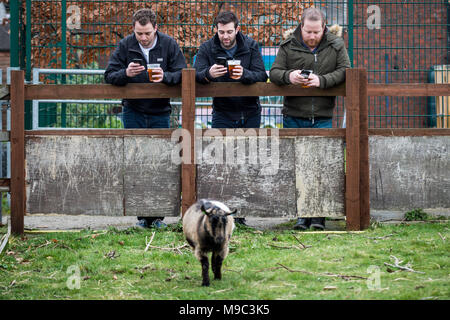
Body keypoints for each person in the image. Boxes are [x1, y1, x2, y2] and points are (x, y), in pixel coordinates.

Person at [104, 8, 187, 228]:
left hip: (160, 111)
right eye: (139, 33)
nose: (143, 38)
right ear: (134, 30)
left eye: (147, 33)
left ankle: (158, 216)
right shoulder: (125, 45)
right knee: (136, 161)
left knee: (160, 162)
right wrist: (126, 74)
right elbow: (109, 75)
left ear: (155, 29)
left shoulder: (169, 44)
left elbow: (183, 72)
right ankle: (142, 216)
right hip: (133, 111)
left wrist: (166, 77)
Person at [269, 7, 351, 231]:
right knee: (297, 167)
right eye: (308, 32)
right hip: (294, 115)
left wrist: (321, 81)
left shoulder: (336, 44)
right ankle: (301, 216)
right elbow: (274, 72)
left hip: (323, 115)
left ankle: (319, 217)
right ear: (301, 27)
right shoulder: (288, 45)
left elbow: (346, 70)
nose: (313, 36)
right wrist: (290, 76)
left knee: (321, 166)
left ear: (323, 27)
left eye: (317, 32)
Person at [194, 11, 268, 226]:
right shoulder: (207, 47)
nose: (225, 36)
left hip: (250, 111)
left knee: (247, 162)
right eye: (221, 31)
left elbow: (261, 75)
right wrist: (209, 74)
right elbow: (196, 74)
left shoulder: (251, 45)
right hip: (222, 112)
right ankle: (220, 212)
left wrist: (243, 74)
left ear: (237, 29)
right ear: (215, 30)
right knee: (221, 162)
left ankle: (241, 212)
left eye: (229, 32)